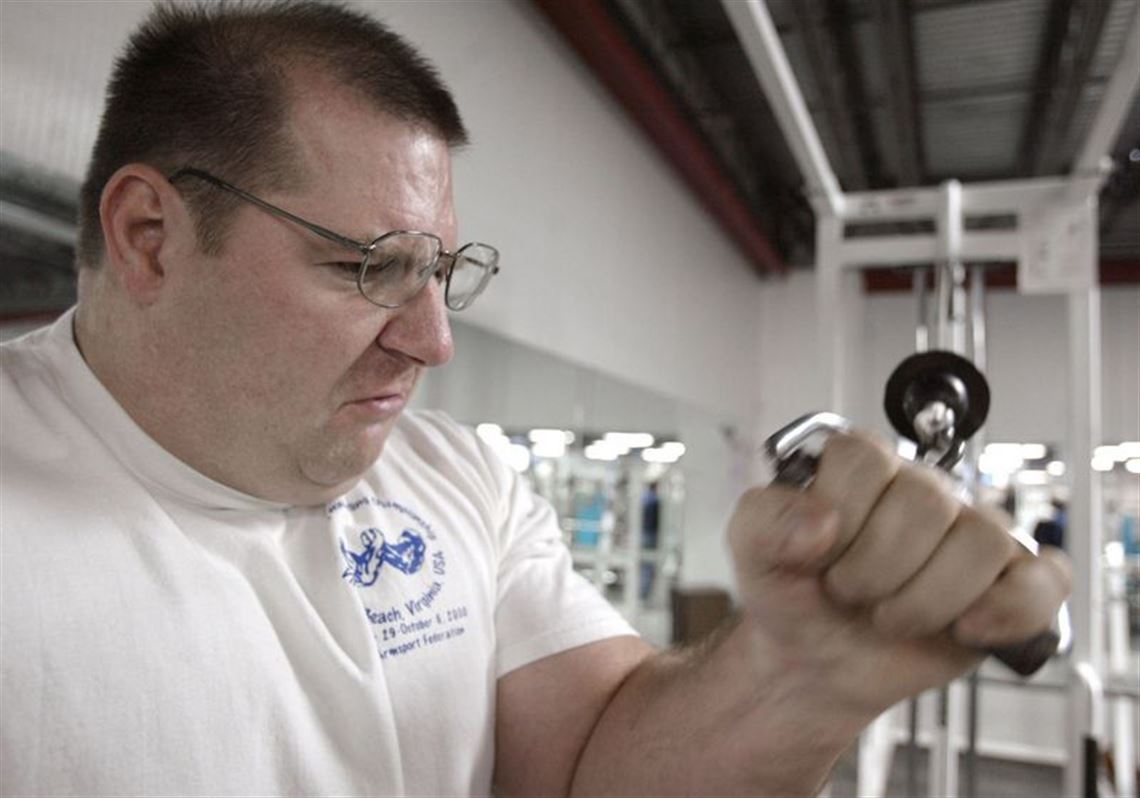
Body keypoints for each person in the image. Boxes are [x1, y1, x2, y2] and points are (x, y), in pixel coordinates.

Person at [0, 3, 1071, 796]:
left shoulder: (458, 475)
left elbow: (594, 769)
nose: (432, 342)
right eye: (370, 267)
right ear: (151, 236)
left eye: (441, 274)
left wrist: (796, 677)